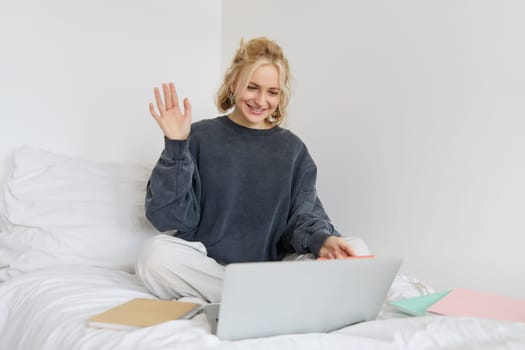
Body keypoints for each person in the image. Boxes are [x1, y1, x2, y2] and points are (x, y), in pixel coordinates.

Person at [136, 37, 369, 303]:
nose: (261, 100)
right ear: (234, 82)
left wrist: (321, 240)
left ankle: (255, 299)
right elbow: (168, 219)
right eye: (252, 87)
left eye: (272, 92)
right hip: (210, 268)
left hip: (272, 270)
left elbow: (303, 216)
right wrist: (176, 146)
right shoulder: (199, 136)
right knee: (153, 256)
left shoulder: (293, 149)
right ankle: (270, 302)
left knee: (357, 249)